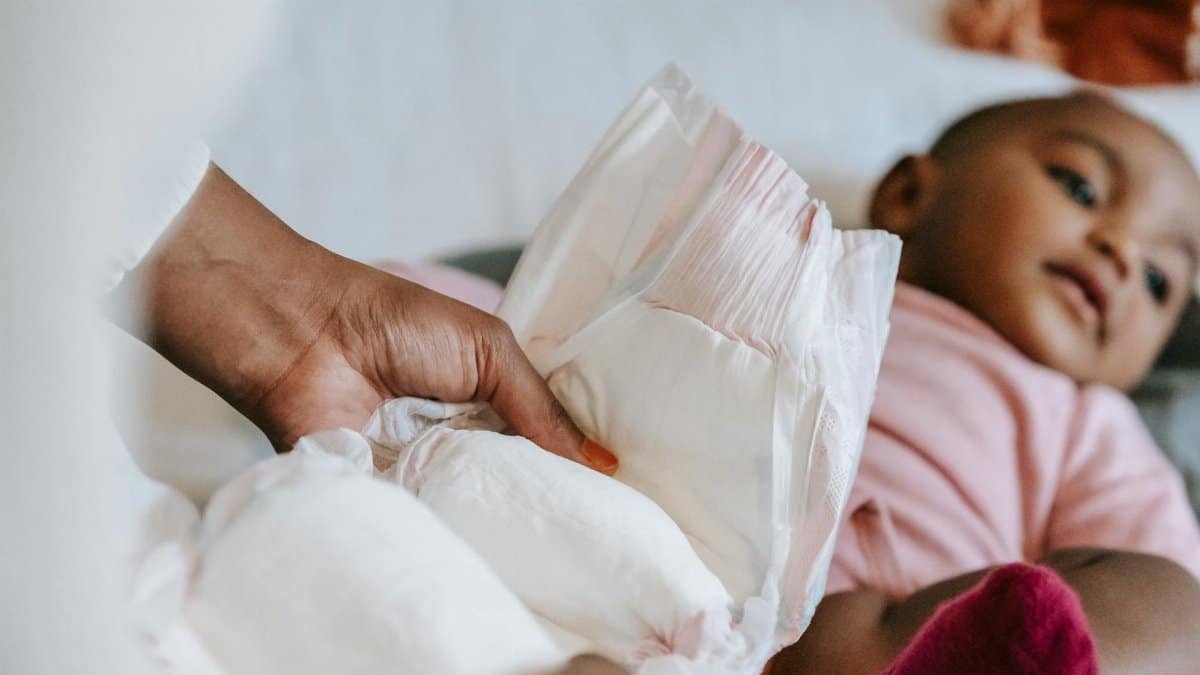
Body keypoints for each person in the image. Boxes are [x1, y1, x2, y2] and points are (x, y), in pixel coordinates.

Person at [764, 92, 1200, 673]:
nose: (1121, 251)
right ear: (910, 196)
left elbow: (1152, 580)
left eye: (1156, 279)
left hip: (913, 639)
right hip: (687, 593)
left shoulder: (1084, 417)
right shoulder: (809, 274)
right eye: (1080, 188)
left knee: (1171, 602)